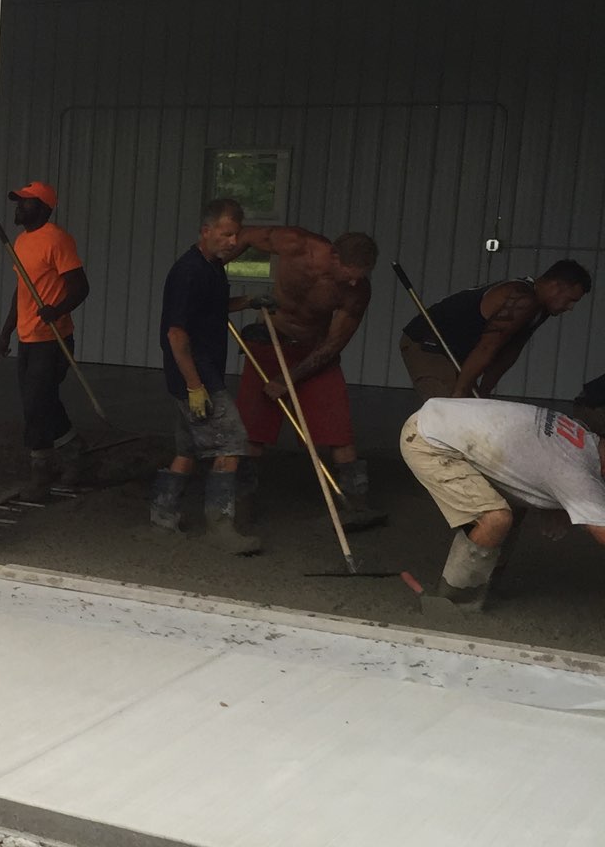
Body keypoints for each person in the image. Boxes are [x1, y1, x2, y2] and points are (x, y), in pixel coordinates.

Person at [400, 397, 605, 625]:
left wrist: (557, 504)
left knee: (517, 507)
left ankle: (485, 581)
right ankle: (454, 604)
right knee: (495, 519)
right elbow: (601, 530)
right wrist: (569, 503)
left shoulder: (585, 438)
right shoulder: (576, 476)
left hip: (446, 420)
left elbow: (538, 468)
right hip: (428, 441)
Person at [232, 223, 382, 531]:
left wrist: (291, 378)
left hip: (313, 355)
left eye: (362, 275)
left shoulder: (358, 292)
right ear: (334, 256)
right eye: (351, 272)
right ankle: (242, 502)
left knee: (338, 427)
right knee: (253, 428)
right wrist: (213, 269)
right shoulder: (296, 245)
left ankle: (356, 503)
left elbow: (335, 343)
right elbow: (245, 236)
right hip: (269, 342)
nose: (355, 281)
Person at [151, 197, 260, 553]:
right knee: (231, 441)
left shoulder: (213, 267)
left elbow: (210, 308)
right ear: (206, 231)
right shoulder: (189, 271)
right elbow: (176, 334)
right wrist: (195, 386)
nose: (233, 242)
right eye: (226, 234)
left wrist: (247, 303)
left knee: (187, 447)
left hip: (201, 370)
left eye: (236, 235)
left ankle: (163, 515)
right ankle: (221, 527)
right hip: (195, 374)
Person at [0, 180, 91, 504]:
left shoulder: (58, 240)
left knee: (37, 404)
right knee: (40, 401)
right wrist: (7, 331)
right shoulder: (21, 242)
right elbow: (22, 290)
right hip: (27, 336)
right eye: (19, 202)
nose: (19, 207)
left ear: (44, 208)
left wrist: (56, 310)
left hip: (53, 338)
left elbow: (80, 287)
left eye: (27, 202)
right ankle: (74, 451)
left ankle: (41, 475)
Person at [400, 263, 592, 401]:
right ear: (555, 286)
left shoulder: (540, 311)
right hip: (428, 344)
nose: (570, 308)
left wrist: (484, 392)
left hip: (459, 354)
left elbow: (508, 353)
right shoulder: (522, 299)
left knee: (470, 407)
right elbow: (487, 347)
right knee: (450, 409)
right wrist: (459, 392)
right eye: (570, 300)